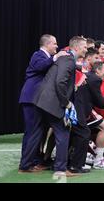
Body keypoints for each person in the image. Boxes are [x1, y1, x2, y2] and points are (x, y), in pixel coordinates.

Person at [32, 36, 88, 178]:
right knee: (63, 133)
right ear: (76, 48)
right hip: (52, 102)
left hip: (45, 101)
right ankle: (60, 169)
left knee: (44, 133)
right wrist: (66, 103)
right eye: (85, 47)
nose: (86, 50)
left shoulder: (68, 59)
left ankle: (36, 163)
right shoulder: (68, 59)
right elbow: (60, 83)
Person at [18, 34, 68, 173]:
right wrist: (55, 58)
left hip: (37, 100)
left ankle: (32, 161)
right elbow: (40, 67)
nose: (57, 46)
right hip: (31, 98)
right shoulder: (38, 55)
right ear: (47, 44)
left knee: (36, 131)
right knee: (33, 132)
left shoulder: (45, 57)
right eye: (55, 44)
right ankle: (25, 165)